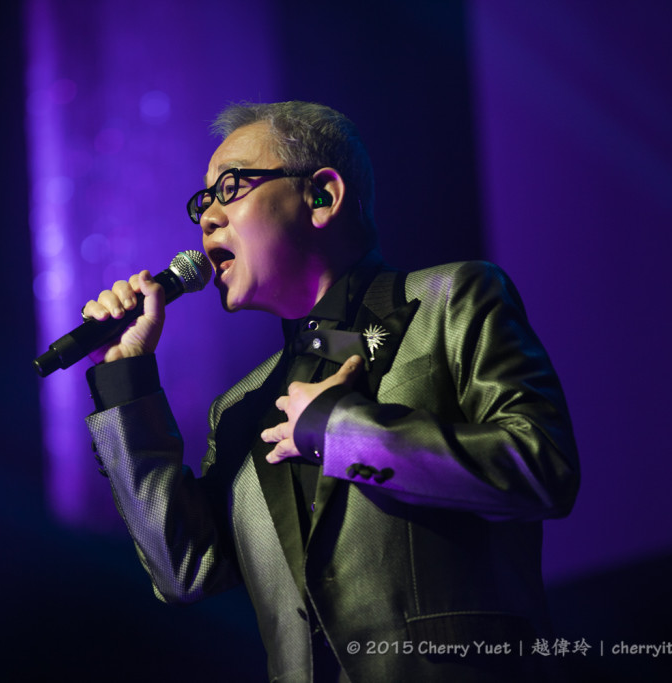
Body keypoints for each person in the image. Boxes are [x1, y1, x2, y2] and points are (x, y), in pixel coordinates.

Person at [80, 101, 579, 682]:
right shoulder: (238, 409)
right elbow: (184, 571)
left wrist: (342, 432)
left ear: (322, 196)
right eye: (203, 201)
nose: (208, 218)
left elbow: (543, 468)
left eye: (231, 187)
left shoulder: (451, 301)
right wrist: (126, 378)